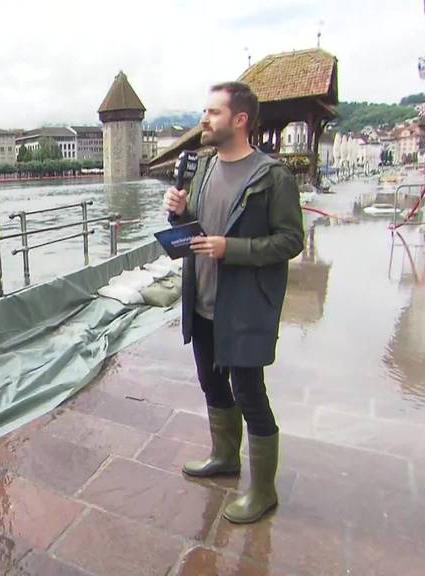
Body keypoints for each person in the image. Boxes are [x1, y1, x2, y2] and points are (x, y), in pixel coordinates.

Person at [163, 81, 304, 524]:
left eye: (213, 113)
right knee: (211, 384)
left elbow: (291, 240)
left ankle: (264, 491)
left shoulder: (271, 175)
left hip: (243, 305)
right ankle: (225, 457)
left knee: (249, 394)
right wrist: (178, 212)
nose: (204, 120)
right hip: (201, 299)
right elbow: (198, 230)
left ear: (240, 120)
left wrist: (233, 250)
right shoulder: (203, 168)